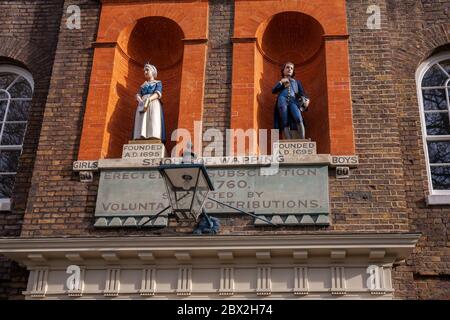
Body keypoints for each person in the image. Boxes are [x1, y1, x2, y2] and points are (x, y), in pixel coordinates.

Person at [273, 62, 310, 140]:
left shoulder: (296, 82)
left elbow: (302, 93)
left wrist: (307, 100)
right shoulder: (283, 81)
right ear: (283, 70)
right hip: (282, 99)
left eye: (291, 68)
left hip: (293, 101)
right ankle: (288, 141)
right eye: (287, 67)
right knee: (284, 121)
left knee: (298, 118)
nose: (289, 69)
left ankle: (302, 139)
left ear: (293, 71)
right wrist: (281, 82)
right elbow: (274, 90)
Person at [133, 62, 166, 142]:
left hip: (153, 102)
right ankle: (140, 136)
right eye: (144, 71)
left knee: (153, 118)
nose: (145, 72)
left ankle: (153, 135)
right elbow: (138, 94)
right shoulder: (143, 85)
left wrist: (149, 99)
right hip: (142, 103)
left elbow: (158, 93)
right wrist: (139, 99)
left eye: (147, 70)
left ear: (153, 71)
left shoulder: (157, 83)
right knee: (141, 119)